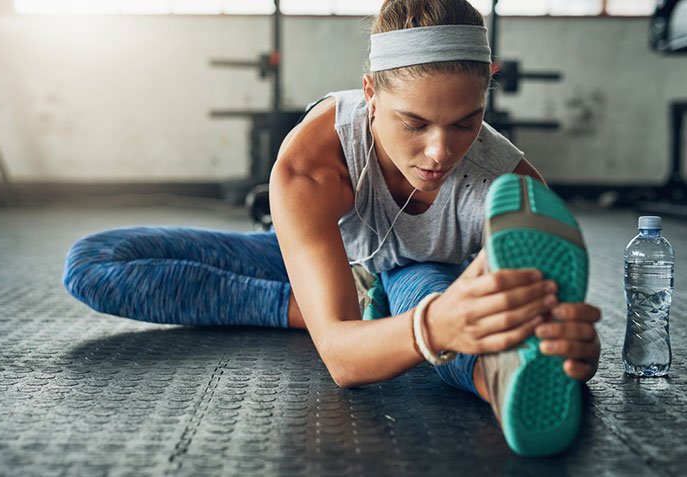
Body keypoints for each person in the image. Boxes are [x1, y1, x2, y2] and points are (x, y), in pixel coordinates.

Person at [62, 0, 601, 457]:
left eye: (466, 122)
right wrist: (354, 327)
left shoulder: (510, 186)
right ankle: (330, 312)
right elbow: (343, 359)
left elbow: (552, 321)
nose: (440, 153)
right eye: (414, 123)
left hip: (429, 280)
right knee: (94, 265)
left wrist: (570, 347)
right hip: (330, 258)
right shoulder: (313, 161)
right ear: (370, 93)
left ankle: (493, 380)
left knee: (432, 295)